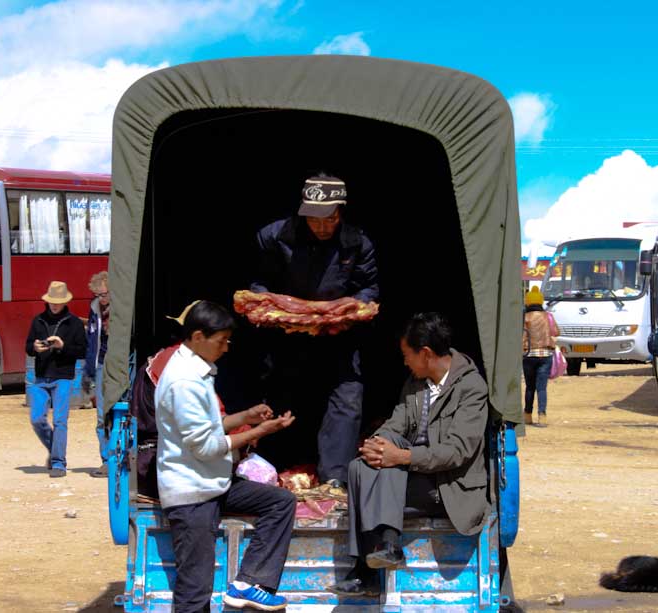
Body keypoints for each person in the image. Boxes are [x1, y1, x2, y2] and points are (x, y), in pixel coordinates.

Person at [328, 313, 490, 596]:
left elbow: (457, 452)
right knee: (358, 468)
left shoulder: (472, 388)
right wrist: (376, 445)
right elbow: (396, 423)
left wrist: (400, 457)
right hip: (414, 477)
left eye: (407, 355)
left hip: (449, 485)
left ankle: (376, 560)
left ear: (425, 353)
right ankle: (372, 558)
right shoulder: (415, 385)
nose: (404, 362)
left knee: (389, 467)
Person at [155, 300, 298, 612]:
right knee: (195, 591)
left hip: (214, 484)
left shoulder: (197, 370)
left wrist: (247, 415)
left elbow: (209, 426)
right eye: (221, 341)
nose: (226, 348)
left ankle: (248, 582)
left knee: (281, 502)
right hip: (192, 494)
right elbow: (205, 446)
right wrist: (261, 432)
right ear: (197, 337)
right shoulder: (183, 381)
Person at [250, 173, 379, 490]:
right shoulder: (273, 236)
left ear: (342, 212)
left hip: (339, 336)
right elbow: (258, 282)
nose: (322, 226)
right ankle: (272, 471)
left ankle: (335, 477)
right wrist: (271, 309)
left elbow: (369, 288)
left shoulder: (358, 243)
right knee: (282, 398)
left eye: (330, 219)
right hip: (288, 334)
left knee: (346, 400)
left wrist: (351, 310)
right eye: (314, 219)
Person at [25, 281, 87, 478]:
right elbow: (27, 346)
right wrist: (34, 347)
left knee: (60, 420)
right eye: (52, 301)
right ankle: (55, 452)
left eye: (58, 301)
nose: (54, 305)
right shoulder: (38, 321)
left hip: (63, 377)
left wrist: (61, 346)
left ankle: (59, 462)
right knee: (36, 418)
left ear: (65, 302)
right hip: (41, 376)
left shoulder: (75, 323)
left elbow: (82, 350)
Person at [85, 271, 110, 478]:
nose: (101, 299)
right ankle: (106, 460)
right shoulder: (94, 309)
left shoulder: (121, 309)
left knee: (122, 412)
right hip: (101, 364)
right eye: (98, 295)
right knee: (101, 415)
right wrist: (89, 370)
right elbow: (91, 341)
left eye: (104, 294)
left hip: (119, 365)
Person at [522, 286, 558, 426]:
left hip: (529, 355)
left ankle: (527, 416)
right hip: (545, 355)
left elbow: (521, 336)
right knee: (542, 388)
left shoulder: (525, 317)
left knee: (530, 387)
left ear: (528, 302)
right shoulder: (548, 316)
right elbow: (556, 332)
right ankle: (542, 416)